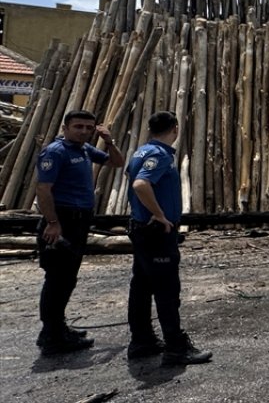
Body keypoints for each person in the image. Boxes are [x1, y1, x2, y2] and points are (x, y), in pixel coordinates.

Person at [34, 110, 124, 355]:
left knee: (67, 278)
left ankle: (56, 328)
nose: (84, 131)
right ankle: (52, 336)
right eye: (78, 127)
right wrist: (52, 222)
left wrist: (109, 140)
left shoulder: (84, 150)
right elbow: (43, 189)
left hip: (79, 221)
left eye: (88, 127)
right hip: (61, 219)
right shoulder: (55, 152)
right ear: (65, 128)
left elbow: (116, 162)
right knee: (56, 279)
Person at [126, 111, 212, 365]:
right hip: (156, 233)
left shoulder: (140, 152)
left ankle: (142, 341)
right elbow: (140, 185)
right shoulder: (159, 155)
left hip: (142, 229)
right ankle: (176, 347)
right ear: (175, 128)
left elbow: (132, 178)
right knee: (166, 290)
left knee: (141, 287)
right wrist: (160, 215)